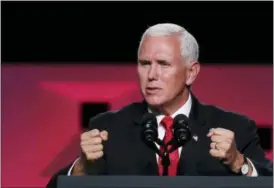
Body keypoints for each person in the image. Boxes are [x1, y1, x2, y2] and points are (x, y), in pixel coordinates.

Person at [46, 23, 273, 188]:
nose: (152, 75)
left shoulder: (234, 127)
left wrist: (238, 162)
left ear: (191, 72)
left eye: (163, 64)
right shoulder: (109, 128)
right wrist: (82, 168)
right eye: (145, 64)